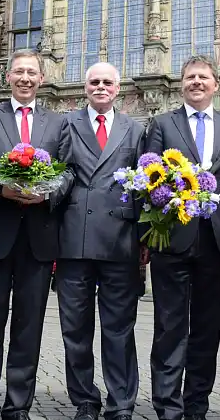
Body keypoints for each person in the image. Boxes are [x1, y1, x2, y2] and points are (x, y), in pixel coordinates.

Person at [0, 49, 73, 420]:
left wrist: (47, 193)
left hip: (38, 238)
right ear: (7, 77)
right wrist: (2, 189)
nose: (25, 78)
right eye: (19, 72)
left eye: (32, 73)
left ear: (41, 79)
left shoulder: (58, 124)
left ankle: (18, 406)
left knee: (28, 328)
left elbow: (68, 173)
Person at [143, 55, 220, 420]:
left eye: (204, 77)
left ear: (216, 84)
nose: (196, 82)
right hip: (172, 239)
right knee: (169, 328)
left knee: (206, 331)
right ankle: (167, 407)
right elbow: (147, 180)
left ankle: (196, 407)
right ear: (181, 84)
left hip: (217, 244)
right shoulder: (161, 124)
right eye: (190, 77)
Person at [56, 62, 145, 420]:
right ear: (85, 88)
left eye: (107, 82)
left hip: (119, 241)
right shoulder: (67, 124)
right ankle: (85, 400)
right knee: (75, 327)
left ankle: (121, 402)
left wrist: (144, 237)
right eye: (94, 82)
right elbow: (60, 172)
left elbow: (143, 185)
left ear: (118, 88)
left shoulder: (135, 129)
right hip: (75, 238)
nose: (101, 87)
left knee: (119, 327)